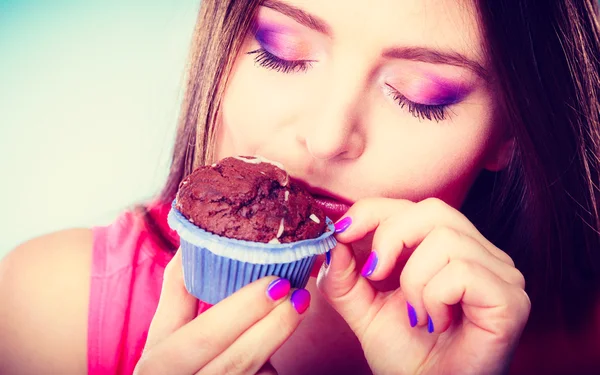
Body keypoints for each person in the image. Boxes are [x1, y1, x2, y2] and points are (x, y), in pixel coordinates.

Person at [1, 0, 600, 374]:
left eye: (422, 95)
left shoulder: (576, 348)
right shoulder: (49, 310)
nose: (326, 136)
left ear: (511, 133)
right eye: (280, 52)